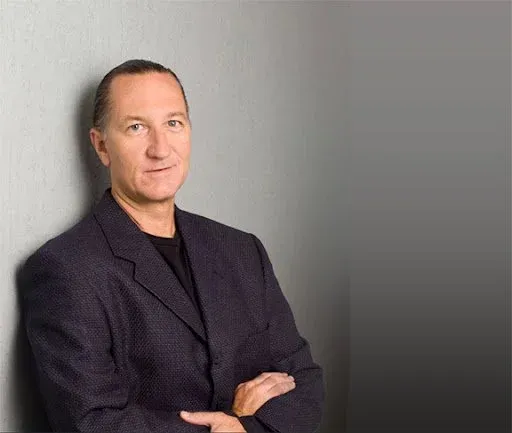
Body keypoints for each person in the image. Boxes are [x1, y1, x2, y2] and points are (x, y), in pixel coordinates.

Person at [21, 59, 324, 433]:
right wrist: (234, 423)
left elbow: (304, 382)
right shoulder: (66, 269)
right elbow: (92, 423)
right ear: (101, 146)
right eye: (136, 127)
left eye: (173, 123)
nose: (160, 149)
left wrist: (244, 429)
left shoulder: (243, 251)